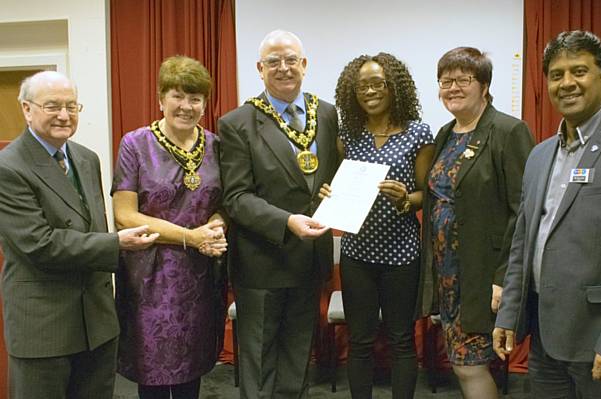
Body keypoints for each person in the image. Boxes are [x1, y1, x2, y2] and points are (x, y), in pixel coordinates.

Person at [494, 30, 601, 398]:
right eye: (557, 75)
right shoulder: (540, 155)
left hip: (600, 340)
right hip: (544, 338)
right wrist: (509, 314)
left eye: (579, 71)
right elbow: (522, 244)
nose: (567, 83)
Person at [0, 71, 158, 399]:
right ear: (26, 109)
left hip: (96, 323)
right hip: (45, 327)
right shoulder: (9, 167)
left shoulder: (86, 158)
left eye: (72, 106)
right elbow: (39, 244)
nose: (64, 115)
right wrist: (117, 243)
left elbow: (91, 227)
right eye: (53, 106)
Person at [218, 30, 339, 398]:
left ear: (304, 64)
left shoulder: (328, 113)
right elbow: (237, 197)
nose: (283, 68)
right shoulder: (237, 122)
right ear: (260, 68)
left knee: (298, 357)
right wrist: (285, 221)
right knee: (258, 360)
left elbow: (332, 177)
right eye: (273, 61)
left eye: (291, 60)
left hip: (309, 259)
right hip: (262, 261)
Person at [111, 55, 228, 399]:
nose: (186, 106)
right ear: (160, 98)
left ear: (205, 104)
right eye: (177, 96)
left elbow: (226, 203)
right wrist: (190, 237)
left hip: (202, 275)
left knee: (194, 367)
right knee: (155, 372)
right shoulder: (135, 144)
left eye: (195, 98)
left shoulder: (216, 145)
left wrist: (216, 225)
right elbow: (125, 215)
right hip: (151, 278)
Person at [422, 47, 534, 399]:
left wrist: (504, 280)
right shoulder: (445, 134)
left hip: (483, 276)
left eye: (463, 80)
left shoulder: (507, 131)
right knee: (461, 362)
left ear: (484, 85)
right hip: (449, 275)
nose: (452, 87)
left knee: (471, 364)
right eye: (446, 81)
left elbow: (524, 212)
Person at [322, 52, 434, 399]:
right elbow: (335, 187)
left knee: (401, 340)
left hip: (402, 254)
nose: (369, 91)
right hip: (358, 255)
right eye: (361, 87)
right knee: (360, 341)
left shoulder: (418, 133)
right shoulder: (348, 136)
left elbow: (426, 194)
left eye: (377, 83)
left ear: (394, 87)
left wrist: (406, 199)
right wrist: (329, 193)